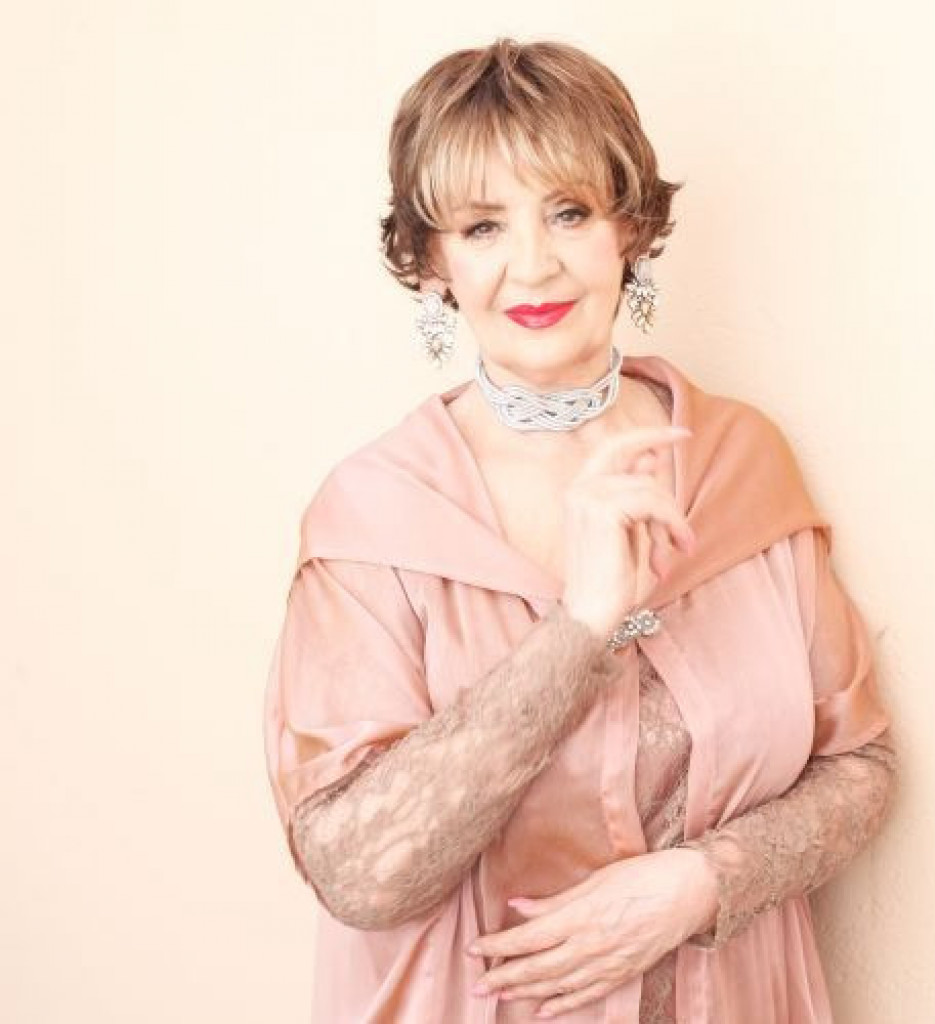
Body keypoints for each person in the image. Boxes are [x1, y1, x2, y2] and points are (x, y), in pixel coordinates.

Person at [263, 38, 897, 1024]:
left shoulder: (741, 460)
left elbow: (859, 766)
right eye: (482, 226)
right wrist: (581, 627)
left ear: (627, 228)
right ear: (431, 262)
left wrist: (702, 883)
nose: (534, 264)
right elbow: (358, 874)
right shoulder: (376, 516)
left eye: (568, 211)